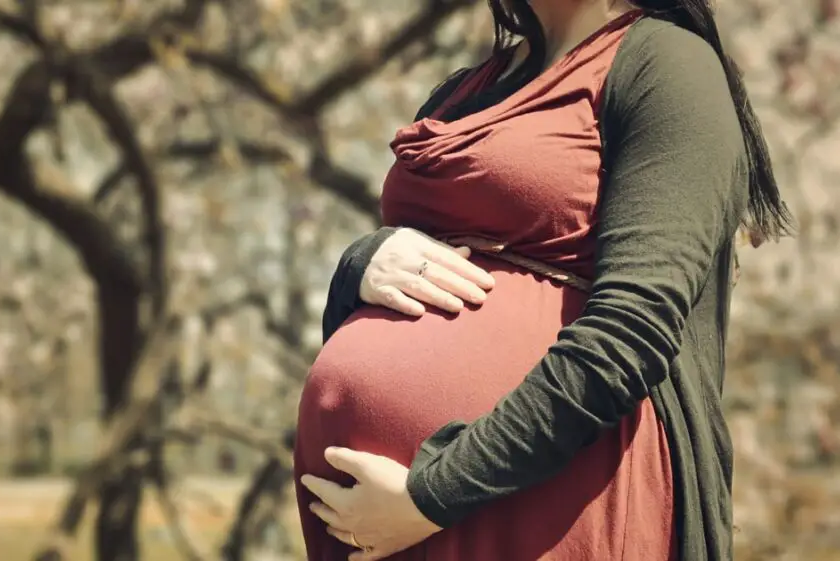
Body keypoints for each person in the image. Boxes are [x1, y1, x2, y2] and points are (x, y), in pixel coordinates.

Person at [294, 1, 793, 560]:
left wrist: (432, 496)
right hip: (385, 517)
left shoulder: (667, 65)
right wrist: (361, 263)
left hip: (541, 499)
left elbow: (632, 330)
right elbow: (417, 265)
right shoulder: (465, 90)